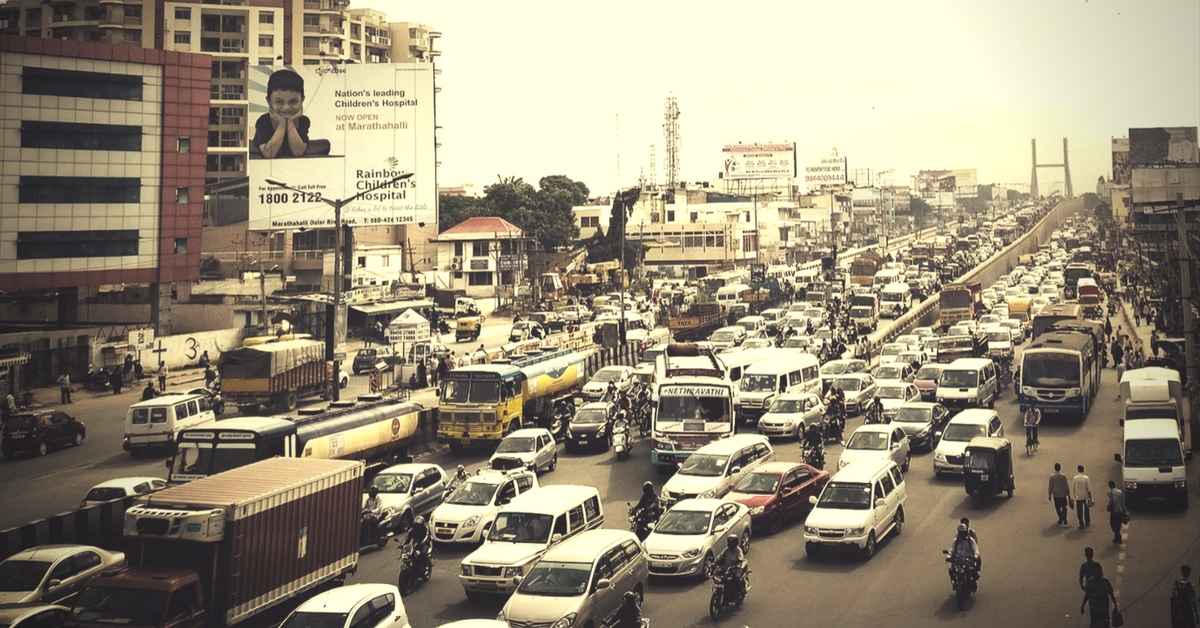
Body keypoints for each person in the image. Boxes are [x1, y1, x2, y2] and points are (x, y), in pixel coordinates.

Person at [252, 69, 311, 159]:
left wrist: (290, 122)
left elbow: (298, 152)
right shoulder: (263, 121)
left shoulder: (303, 121)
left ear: (302, 100)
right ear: (269, 101)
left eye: (293, 101)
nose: (286, 107)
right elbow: (269, 154)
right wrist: (282, 124)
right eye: (279, 102)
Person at [1106, 480, 1128, 546]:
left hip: (1113, 511)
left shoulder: (1109, 492)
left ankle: (1118, 535)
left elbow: (1110, 500)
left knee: (1112, 524)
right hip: (1120, 511)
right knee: (1118, 525)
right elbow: (1122, 502)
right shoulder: (1120, 492)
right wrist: (1124, 511)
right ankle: (1116, 537)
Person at [1073, 465, 1093, 529]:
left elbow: (1073, 487)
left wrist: (1074, 495)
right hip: (1085, 496)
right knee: (1086, 509)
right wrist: (1090, 497)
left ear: (1078, 470)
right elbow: (1089, 489)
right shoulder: (1086, 478)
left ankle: (1081, 523)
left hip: (1078, 496)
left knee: (1079, 511)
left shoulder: (1075, 478)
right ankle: (1087, 520)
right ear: (1083, 470)